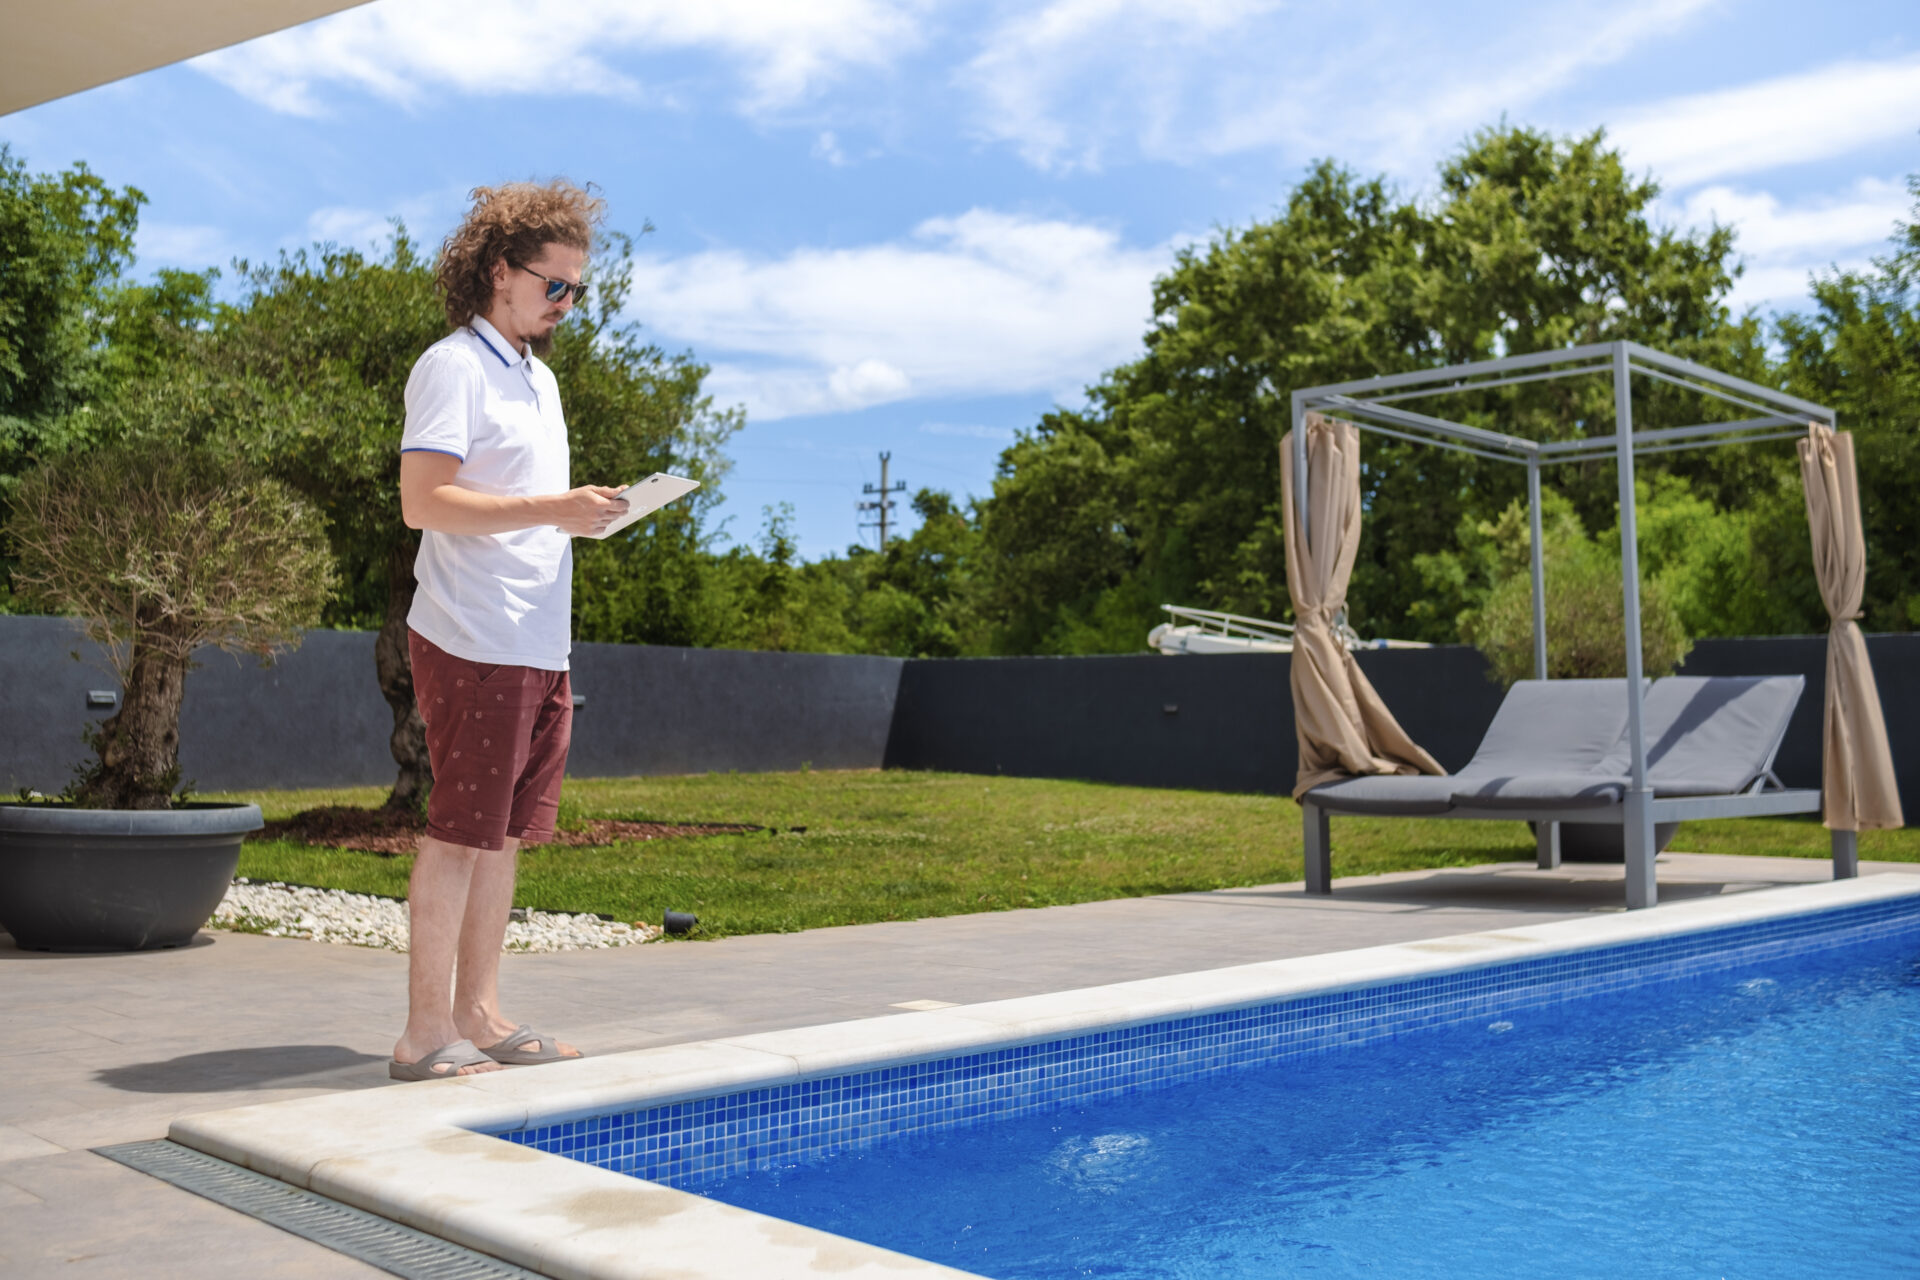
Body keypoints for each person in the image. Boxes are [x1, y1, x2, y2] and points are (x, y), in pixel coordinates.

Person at [388, 180, 627, 1080]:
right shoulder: (452, 366)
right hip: (471, 636)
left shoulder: (540, 380)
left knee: (506, 834)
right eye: (552, 285)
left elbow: (523, 508)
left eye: (577, 289)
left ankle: (479, 1014)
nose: (565, 303)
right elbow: (425, 501)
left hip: (537, 639)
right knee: (457, 831)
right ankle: (421, 1033)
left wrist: (578, 515)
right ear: (500, 273)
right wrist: (553, 507)